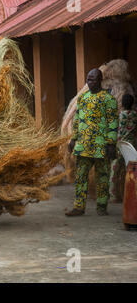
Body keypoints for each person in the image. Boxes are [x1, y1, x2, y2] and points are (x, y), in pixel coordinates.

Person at [66, 68, 118, 216]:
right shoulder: (83, 98)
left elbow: (113, 122)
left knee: (102, 178)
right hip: (83, 146)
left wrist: (111, 144)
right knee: (80, 176)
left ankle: (102, 207)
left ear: (100, 80)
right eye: (88, 79)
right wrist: (73, 139)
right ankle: (78, 207)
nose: (89, 82)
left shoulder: (109, 99)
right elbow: (77, 121)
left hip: (101, 146)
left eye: (92, 79)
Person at [109, 94, 137, 202]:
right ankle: (131, 195)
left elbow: (114, 129)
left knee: (114, 170)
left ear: (122, 103)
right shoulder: (135, 115)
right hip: (131, 146)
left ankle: (113, 196)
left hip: (120, 146)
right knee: (131, 171)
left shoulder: (120, 115)